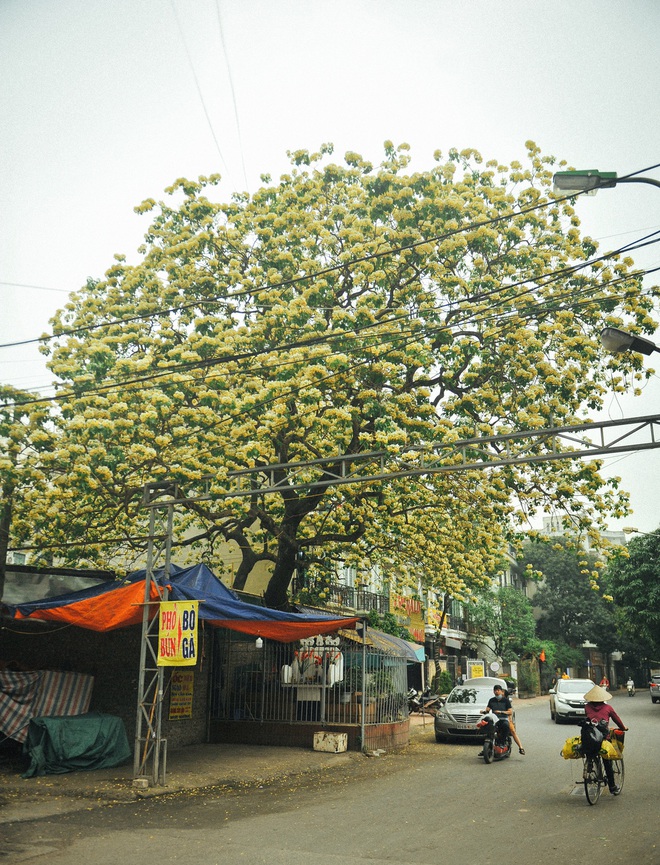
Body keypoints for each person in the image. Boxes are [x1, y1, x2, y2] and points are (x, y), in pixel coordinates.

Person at [583, 684, 628, 794]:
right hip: (603, 738)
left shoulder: (587, 707)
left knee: (590, 751)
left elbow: (589, 719)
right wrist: (623, 728)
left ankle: (589, 764)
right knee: (607, 761)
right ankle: (612, 787)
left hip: (589, 737)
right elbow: (617, 719)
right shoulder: (608, 708)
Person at [480, 684, 525, 755]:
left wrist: (501, 712)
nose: (496, 692)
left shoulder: (506, 701)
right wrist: (484, 712)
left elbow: (510, 712)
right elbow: (487, 710)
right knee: (488, 726)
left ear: (501, 691)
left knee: (508, 728)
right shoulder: (491, 700)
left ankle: (511, 745)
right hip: (495, 719)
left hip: (504, 719)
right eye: (495, 690)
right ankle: (487, 746)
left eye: (498, 690)